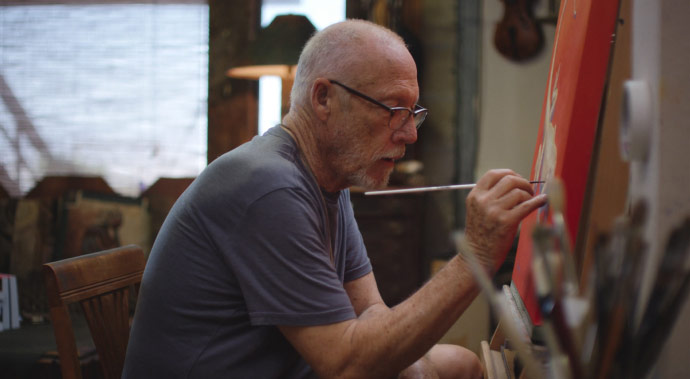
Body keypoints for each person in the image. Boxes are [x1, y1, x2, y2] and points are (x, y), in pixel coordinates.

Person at [123, 19, 547, 379]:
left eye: (413, 112)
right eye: (392, 109)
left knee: (460, 364)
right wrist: (475, 252)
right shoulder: (269, 187)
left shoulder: (327, 179)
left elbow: (371, 316)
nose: (409, 134)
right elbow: (346, 365)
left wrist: (416, 370)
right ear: (323, 98)